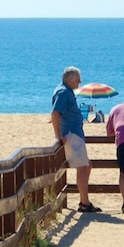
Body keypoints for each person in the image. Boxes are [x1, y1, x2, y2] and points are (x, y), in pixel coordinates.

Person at [51, 67, 99, 212]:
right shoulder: (64, 92)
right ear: (70, 79)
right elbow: (55, 113)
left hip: (74, 134)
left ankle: (84, 201)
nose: (80, 82)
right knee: (83, 167)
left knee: (87, 165)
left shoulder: (65, 91)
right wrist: (58, 135)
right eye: (78, 79)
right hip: (71, 134)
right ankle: (84, 203)